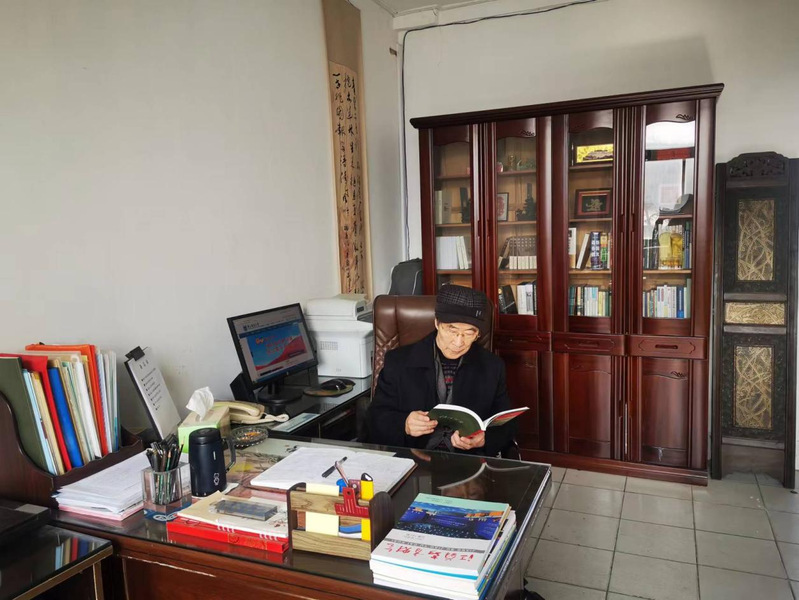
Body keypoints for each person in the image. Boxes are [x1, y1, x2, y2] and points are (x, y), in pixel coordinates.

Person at [368, 285, 516, 456]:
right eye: (452, 330)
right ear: (437, 323)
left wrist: (485, 438)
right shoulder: (399, 361)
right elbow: (375, 418)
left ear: (478, 334)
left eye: (469, 333)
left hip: (467, 462)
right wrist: (404, 424)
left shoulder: (492, 366)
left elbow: (506, 422)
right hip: (412, 459)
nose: (458, 342)